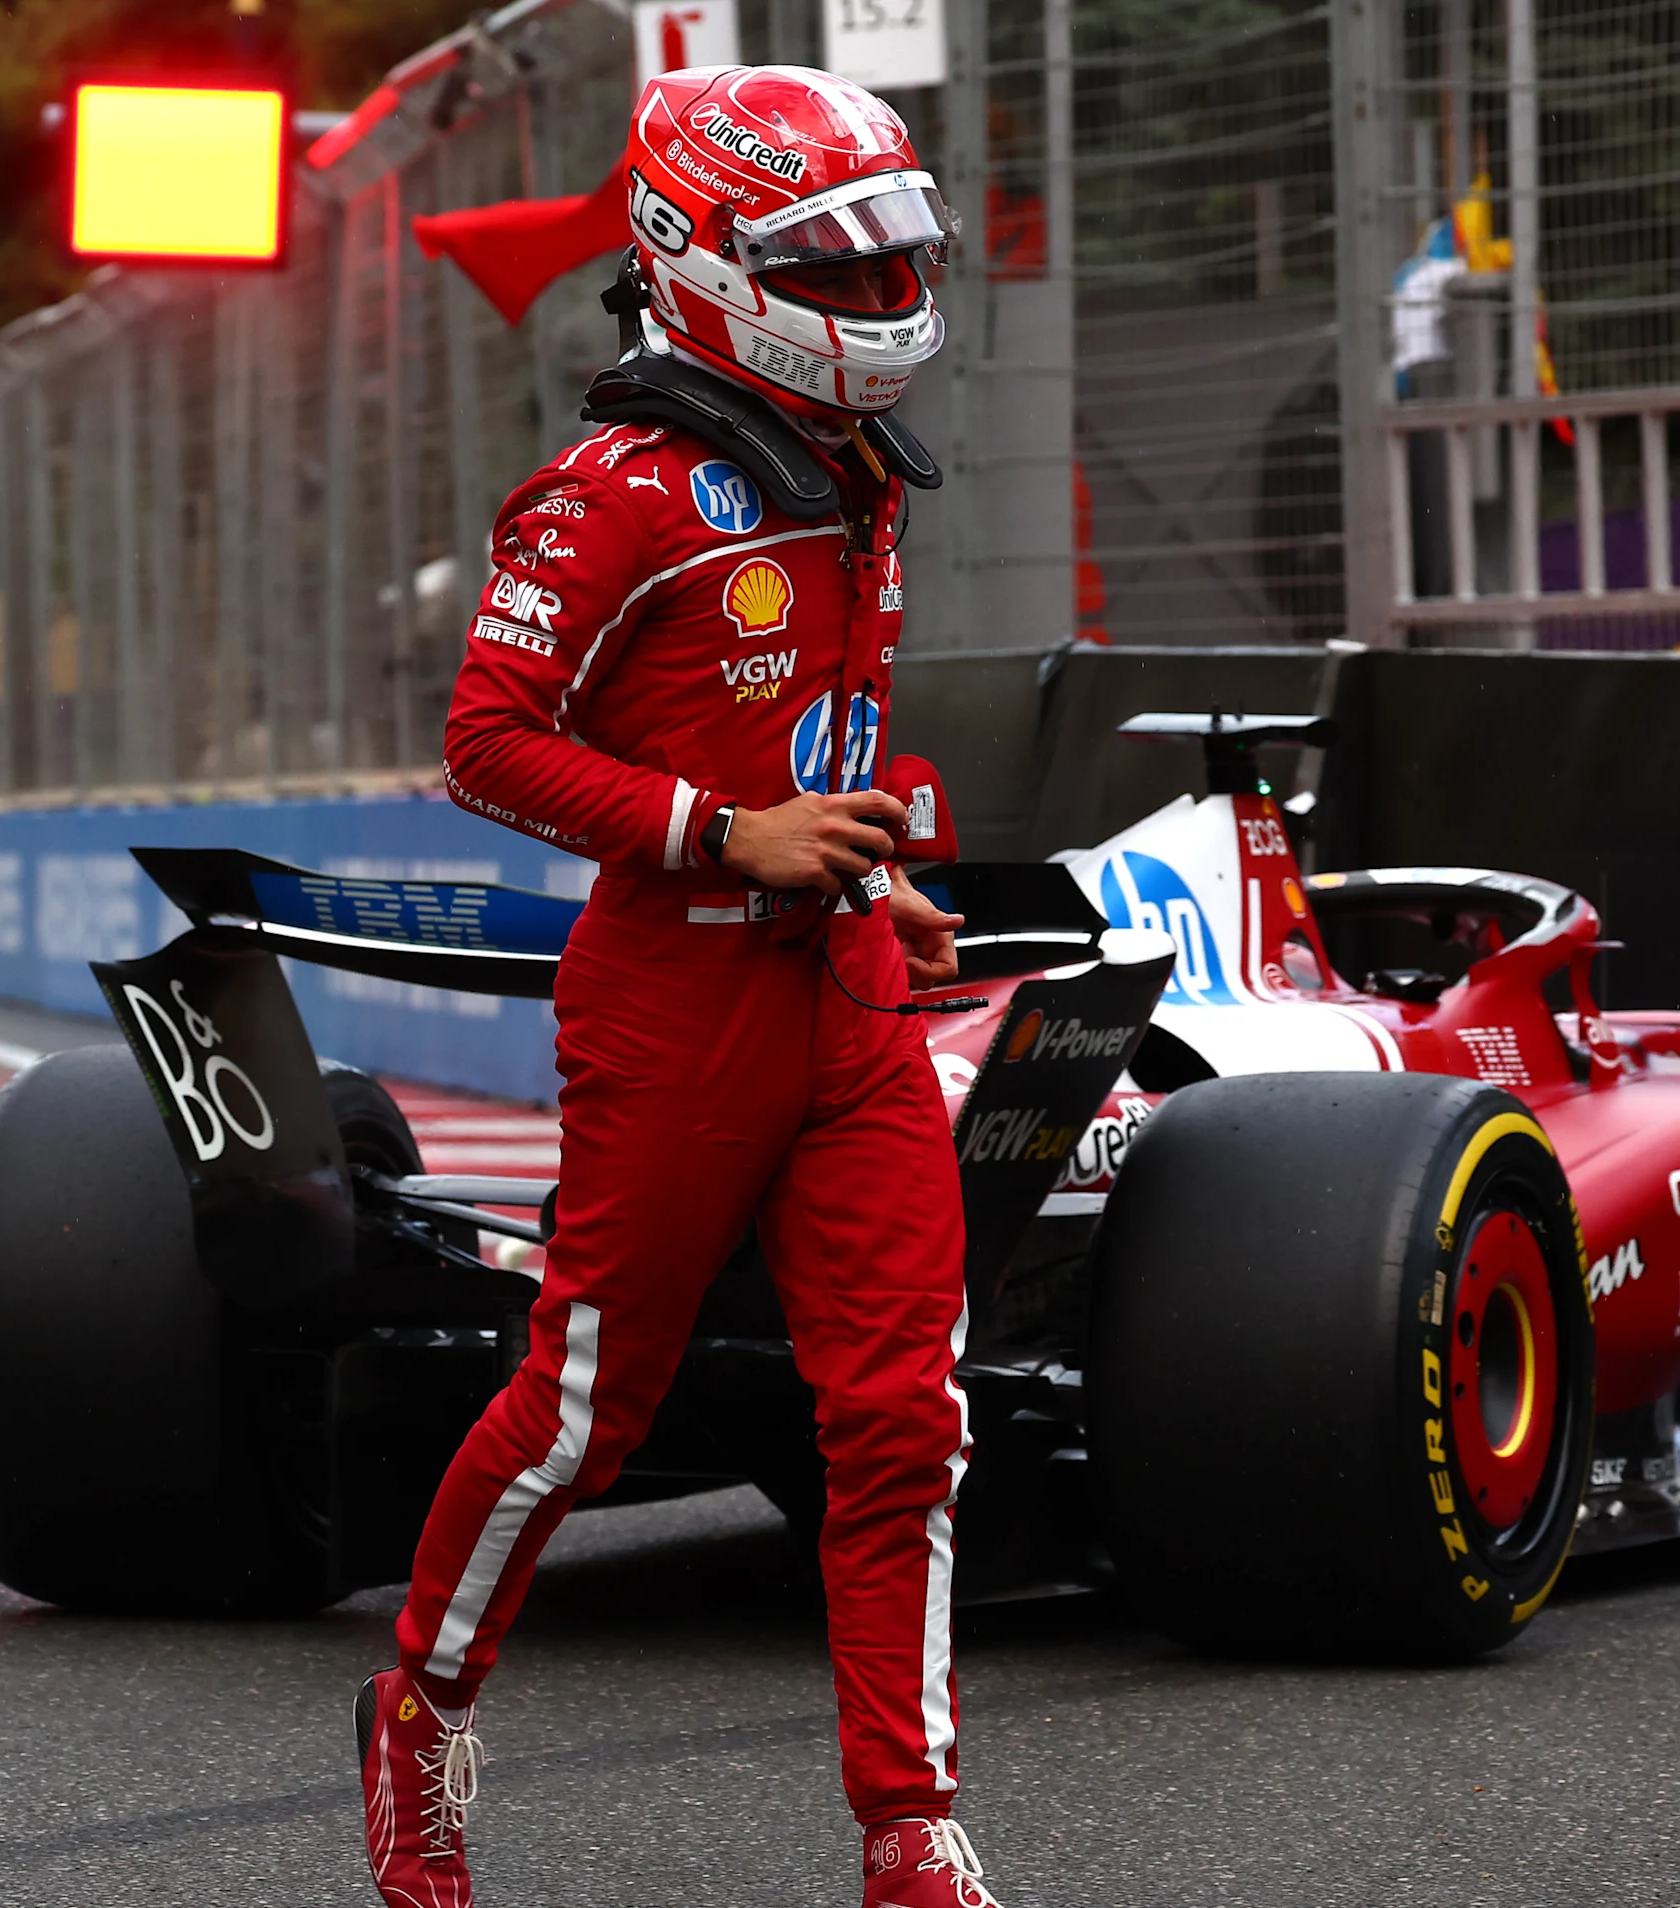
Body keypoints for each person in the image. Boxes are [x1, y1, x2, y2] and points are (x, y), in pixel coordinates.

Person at [357, 64, 1006, 1908]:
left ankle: (909, 1825)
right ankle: (420, 1711)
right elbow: (487, 747)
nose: (882, 299)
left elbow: (824, 733)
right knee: (580, 1412)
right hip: (671, 1004)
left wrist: (888, 857)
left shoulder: (859, 469)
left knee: (904, 1415)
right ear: (692, 257)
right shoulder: (602, 497)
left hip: (850, 992)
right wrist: (727, 836)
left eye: (893, 260)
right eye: (834, 265)